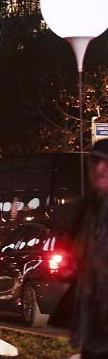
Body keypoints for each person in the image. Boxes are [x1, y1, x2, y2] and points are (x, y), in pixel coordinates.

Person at [59, 140, 108, 358]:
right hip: (92, 318)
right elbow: (72, 251)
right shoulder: (86, 207)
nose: (99, 169)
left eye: (107, 163)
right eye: (94, 162)